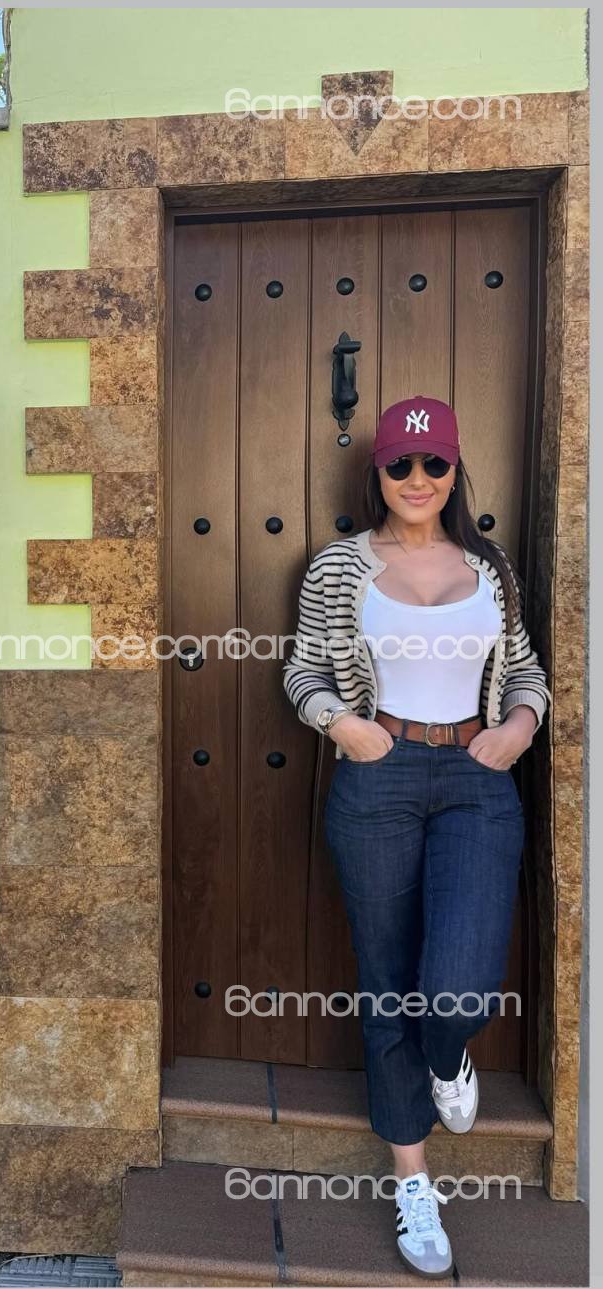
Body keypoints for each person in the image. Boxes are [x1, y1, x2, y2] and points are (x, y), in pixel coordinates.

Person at [282, 394, 552, 1279]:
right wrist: (342, 725)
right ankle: (413, 1182)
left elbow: (524, 668)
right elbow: (303, 669)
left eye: (434, 463)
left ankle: (448, 1054)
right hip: (380, 777)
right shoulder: (337, 567)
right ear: (379, 472)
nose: (418, 478)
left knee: (457, 985)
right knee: (387, 977)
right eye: (401, 463)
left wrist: (518, 728)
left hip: (477, 779)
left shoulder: (490, 566)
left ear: (455, 470)